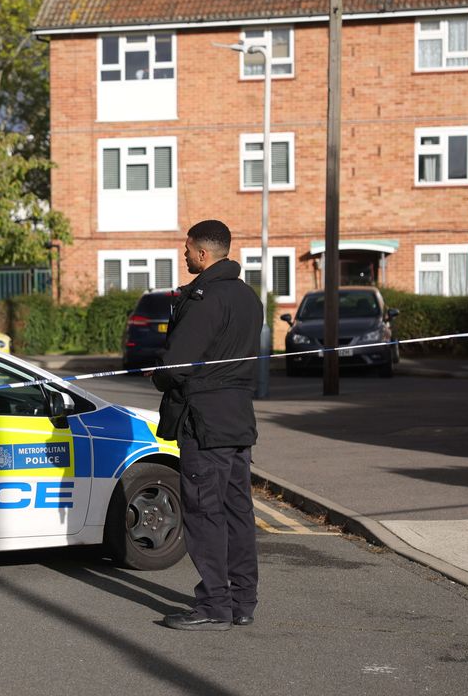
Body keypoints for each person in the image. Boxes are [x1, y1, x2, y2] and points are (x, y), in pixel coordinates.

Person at [151, 220, 263, 631]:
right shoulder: (249, 297)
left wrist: (159, 374)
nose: (184, 255)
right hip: (238, 419)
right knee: (238, 512)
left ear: (203, 253)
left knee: (205, 514)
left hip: (205, 422)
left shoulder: (205, 298)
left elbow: (177, 362)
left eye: (187, 249)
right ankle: (243, 601)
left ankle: (215, 604)